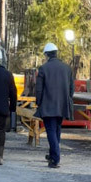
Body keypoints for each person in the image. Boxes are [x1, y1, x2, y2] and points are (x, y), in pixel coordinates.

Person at [35, 41, 74, 169]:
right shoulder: (67, 68)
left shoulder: (43, 69)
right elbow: (71, 89)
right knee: (57, 129)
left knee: (51, 130)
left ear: (47, 55)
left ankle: (55, 158)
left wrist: (38, 102)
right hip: (62, 105)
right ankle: (52, 154)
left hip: (48, 105)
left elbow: (39, 89)